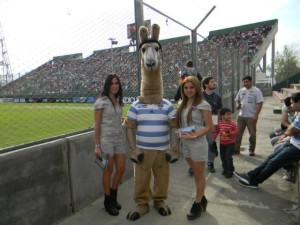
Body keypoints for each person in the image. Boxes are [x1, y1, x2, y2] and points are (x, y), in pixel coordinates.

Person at [233, 92, 300, 188]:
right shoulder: (299, 114)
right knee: (269, 159)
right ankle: (250, 175)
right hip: (293, 142)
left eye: (293, 103)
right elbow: (291, 129)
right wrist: (287, 134)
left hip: (297, 148)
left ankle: (255, 182)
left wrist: (291, 132)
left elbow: (292, 130)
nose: (291, 105)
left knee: (274, 162)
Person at [175, 76, 213, 220]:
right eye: (186, 88)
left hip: (197, 144)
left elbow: (209, 126)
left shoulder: (203, 104)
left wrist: (196, 134)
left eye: (191, 87)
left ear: (197, 88)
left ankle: (197, 204)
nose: (188, 90)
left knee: (198, 175)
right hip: (185, 143)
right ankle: (202, 198)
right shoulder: (181, 103)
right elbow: (180, 125)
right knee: (196, 173)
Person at [94, 74, 126, 216]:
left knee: (121, 168)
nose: (115, 86)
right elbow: (96, 125)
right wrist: (97, 145)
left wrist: (123, 120)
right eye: (112, 83)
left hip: (119, 139)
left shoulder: (118, 100)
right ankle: (108, 201)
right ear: (108, 85)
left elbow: (117, 118)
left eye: (117, 83)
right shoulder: (101, 101)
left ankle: (113, 196)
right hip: (106, 140)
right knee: (108, 170)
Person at [234, 75, 264, 156]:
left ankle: (251, 150)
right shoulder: (241, 90)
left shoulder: (256, 91)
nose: (245, 83)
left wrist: (256, 115)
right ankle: (236, 150)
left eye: (247, 82)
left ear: (251, 81)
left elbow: (260, 103)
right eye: (244, 82)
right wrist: (237, 105)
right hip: (241, 116)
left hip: (251, 117)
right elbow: (237, 100)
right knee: (237, 133)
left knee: (252, 134)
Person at [202, 76, 223, 173]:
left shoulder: (217, 97)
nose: (214, 83)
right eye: (212, 81)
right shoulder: (200, 96)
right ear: (206, 84)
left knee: (211, 143)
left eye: (214, 81)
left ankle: (210, 163)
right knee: (199, 144)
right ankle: (195, 164)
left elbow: (219, 111)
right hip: (200, 122)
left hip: (213, 122)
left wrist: (218, 124)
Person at [212, 108, 238, 178]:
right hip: (222, 144)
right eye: (227, 114)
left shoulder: (232, 123)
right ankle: (225, 169)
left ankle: (230, 171)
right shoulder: (220, 123)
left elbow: (236, 132)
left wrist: (230, 133)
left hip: (230, 144)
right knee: (223, 157)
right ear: (222, 115)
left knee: (228, 157)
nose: (229, 116)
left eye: (230, 114)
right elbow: (216, 131)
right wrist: (213, 139)